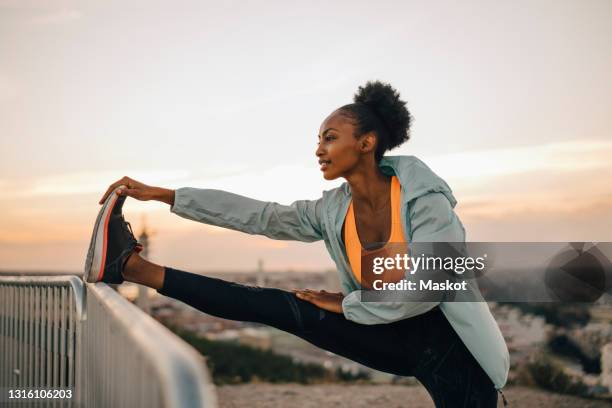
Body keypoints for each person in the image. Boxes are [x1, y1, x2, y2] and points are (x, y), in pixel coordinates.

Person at [85, 81, 509, 407]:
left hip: (458, 354)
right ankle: (132, 268)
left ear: (366, 143)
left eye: (329, 137)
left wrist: (347, 304)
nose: (318, 150)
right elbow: (261, 215)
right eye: (319, 140)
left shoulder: (425, 200)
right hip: (390, 334)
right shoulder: (331, 211)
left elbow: (432, 286)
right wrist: (164, 195)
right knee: (281, 307)